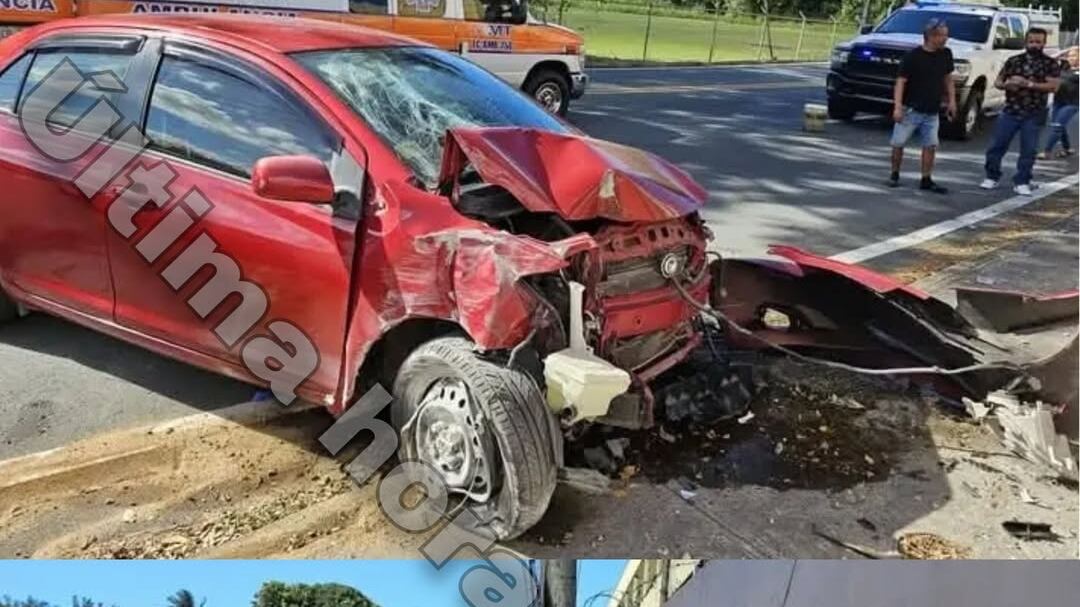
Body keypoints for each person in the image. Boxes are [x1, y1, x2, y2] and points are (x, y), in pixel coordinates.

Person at [981, 27, 1062, 195]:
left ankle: (1022, 180)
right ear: (1026, 41)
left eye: (1038, 42)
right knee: (997, 145)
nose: (1034, 45)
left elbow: (1054, 86)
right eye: (1031, 41)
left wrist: (1029, 84)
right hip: (1011, 110)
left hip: (1034, 112)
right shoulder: (1014, 60)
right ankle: (992, 176)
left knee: (1029, 150)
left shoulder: (1050, 64)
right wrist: (1007, 85)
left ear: (1044, 44)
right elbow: (998, 82)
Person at [888, 18, 957, 194]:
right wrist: (897, 107)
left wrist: (952, 101)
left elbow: (948, 78)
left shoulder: (946, 54)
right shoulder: (913, 57)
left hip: (932, 109)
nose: (945, 39)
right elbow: (901, 82)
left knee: (930, 145)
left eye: (946, 35)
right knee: (898, 142)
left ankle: (926, 178)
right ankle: (894, 173)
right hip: (911, 108)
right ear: (930, 36)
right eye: (942, 36)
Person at [1038, 57, 1078, 159]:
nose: (1072, 58)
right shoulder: (1063, 67)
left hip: (1072, 103)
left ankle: (1047, 151)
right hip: (1058, 101)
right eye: (1070, 55)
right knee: (1060, 125)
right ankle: (1067, 148)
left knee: (1057, 126)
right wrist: (1061, 55)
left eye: (1075, 56)